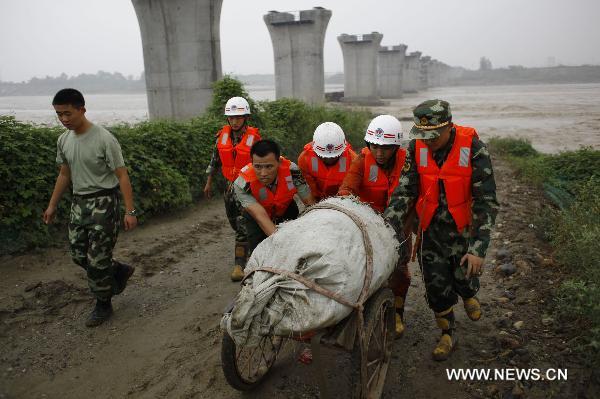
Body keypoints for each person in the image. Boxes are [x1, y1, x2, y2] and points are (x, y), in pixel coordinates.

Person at [384, 99, 498, 361]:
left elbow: (487, 202)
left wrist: (478, 248)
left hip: (463, 232)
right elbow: (405, 190)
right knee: (436, 289)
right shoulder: (416, 147)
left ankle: (469, 293)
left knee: (465, 277)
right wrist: (388, 222)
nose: (428, 141)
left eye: (433, 135)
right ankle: (448, 334)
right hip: (430, 232)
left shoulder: (474, 148)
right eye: (422, 135)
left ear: (449, 126)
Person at [43, 88, 137, 327]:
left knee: (97, 259)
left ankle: (103, 303)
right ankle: (117, 270)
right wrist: (52, 205)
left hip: (104, 203)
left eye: (67, 113)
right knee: (77, 254)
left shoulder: (104, 139)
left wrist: (129, 211)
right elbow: (65, 173)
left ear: (82, 109)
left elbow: (122, 176)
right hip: (79, 203)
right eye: (59, 115)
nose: (64, 119)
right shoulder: (63, 140)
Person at [337, 114, 413, 337]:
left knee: (399, 271)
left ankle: (398, 312)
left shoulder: (408, 162)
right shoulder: (361, 160)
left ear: (396, 146)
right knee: (362, 266)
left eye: (385, 148)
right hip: (368, 222)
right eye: (374, 146)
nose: (379, 153)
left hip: (399, 225)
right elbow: (346, 190)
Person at [203, 96, 261, 281]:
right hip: (230, 189)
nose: (234, 121)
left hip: (249, 188)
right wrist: (209, 182)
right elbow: (215, 160)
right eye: (231, 117)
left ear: (246, 117)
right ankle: (252, 249)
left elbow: (263, 163)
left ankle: (239, 265)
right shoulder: (222, 136)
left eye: (238, 117)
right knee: (235, 224)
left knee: (243, 225)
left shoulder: (255, 139)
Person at [233, 139, 315, 264]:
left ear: (279, 161)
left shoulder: (292, 171)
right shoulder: (242, 183)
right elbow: (260, 217)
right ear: (252, 163)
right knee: (261, 256)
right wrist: (282, 245)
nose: (263, 173)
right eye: (258, 167)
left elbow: (309, 203)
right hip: (258, 217)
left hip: (286, 209)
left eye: (269, 166)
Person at [297, 122, 357, 202]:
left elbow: (352, 187)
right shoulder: (305, 159)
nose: (329, 160)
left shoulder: (352, 160)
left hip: (344, 201)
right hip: (317, 200)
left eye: (334, 157)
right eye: (324, 157)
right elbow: (308, 188)